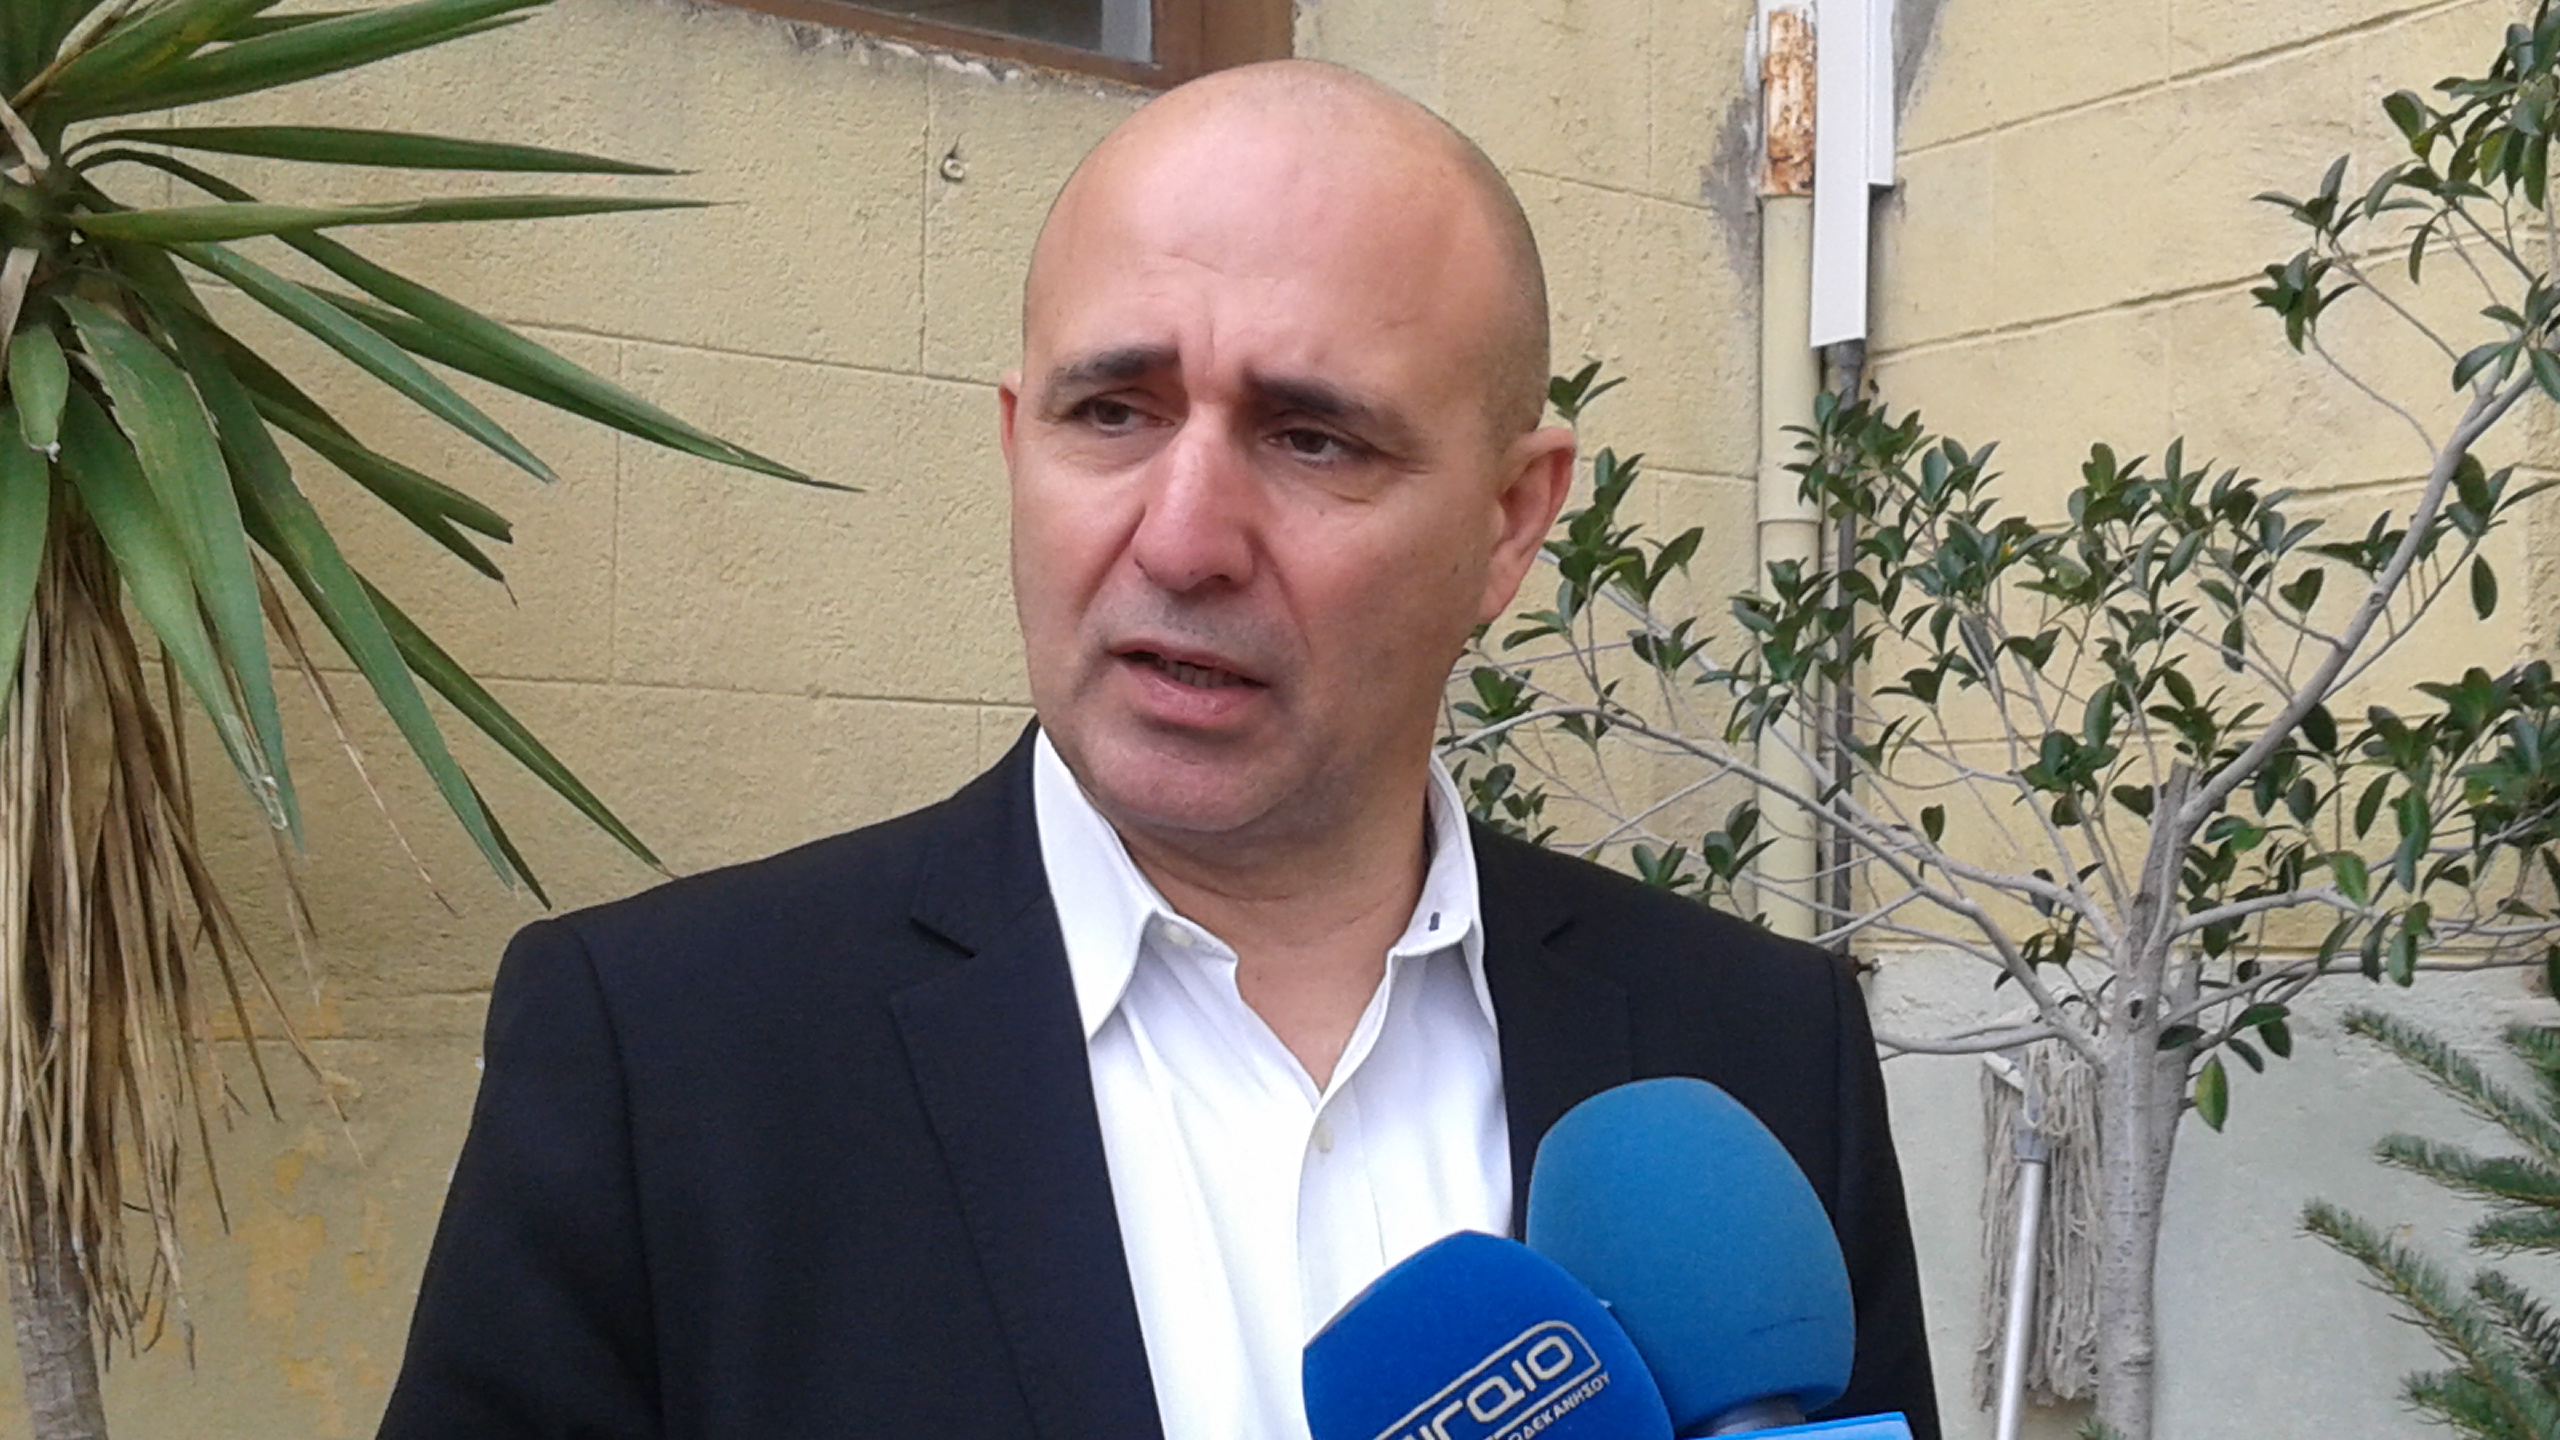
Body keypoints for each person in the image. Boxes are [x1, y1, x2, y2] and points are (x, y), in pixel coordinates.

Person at [376, 59, 1940, 1440]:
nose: (1183, 540)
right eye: (1113, 413)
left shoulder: (1757, 1054)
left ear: (1509, 520)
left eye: (1311, 437)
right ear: (1017, 446)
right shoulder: (665, 1059)